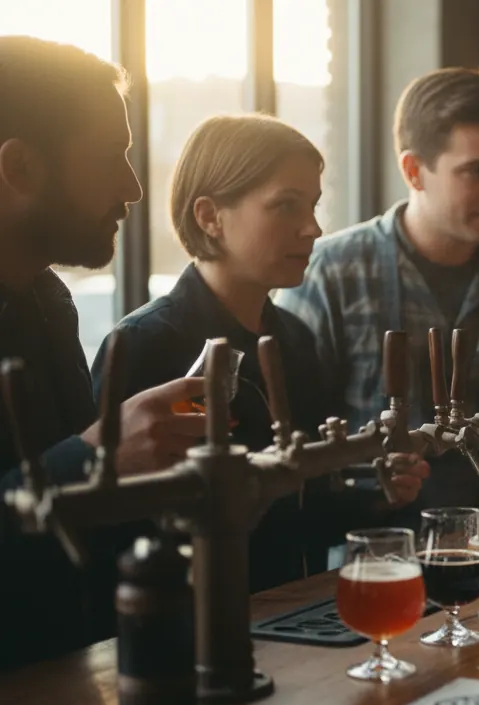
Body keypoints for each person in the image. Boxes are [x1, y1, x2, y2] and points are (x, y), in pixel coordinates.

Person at [92, 114, 431, 593]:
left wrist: (380, 496)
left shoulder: (294, 337)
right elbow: (115, 537)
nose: (312, 228)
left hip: (291, 617)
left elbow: (305, 509)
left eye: (313, 206)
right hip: (190, 632)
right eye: (286, 207)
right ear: (209, 216)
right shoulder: (146, 345)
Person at [276, 67, 479, 520]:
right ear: (414, 171)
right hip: (374, 554)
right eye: (476, 172)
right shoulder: (334, 272)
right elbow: (291, 451)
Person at [0, 36, 208, 670]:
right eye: (111, 158)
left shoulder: (47, 299)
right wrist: (95, 457)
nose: (134, 188)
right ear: (20, 170)